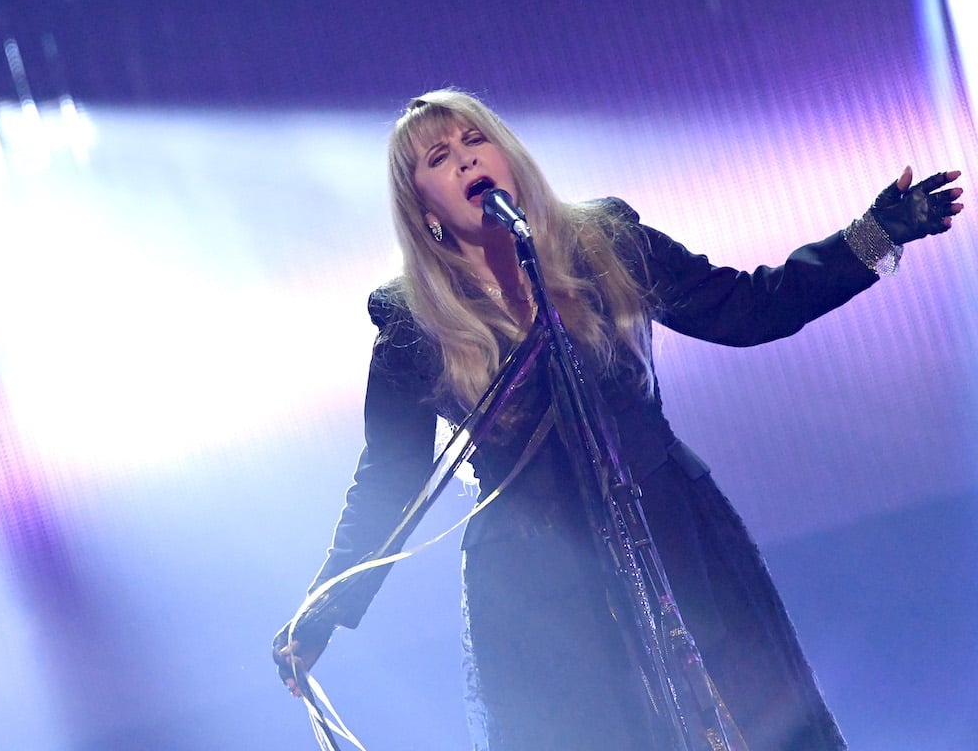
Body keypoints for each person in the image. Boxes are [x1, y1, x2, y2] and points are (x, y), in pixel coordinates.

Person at [271, 88, 964, 750]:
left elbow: (750, 308)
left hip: (671, 534)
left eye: (475, 140)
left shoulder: (605, 240)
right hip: (541, 588)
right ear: (424, 210)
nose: (466, 160)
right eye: (439, 158)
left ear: (508, 155)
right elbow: (390, 479)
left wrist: (870, 239)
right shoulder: (411, 323)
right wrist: (325, 608)